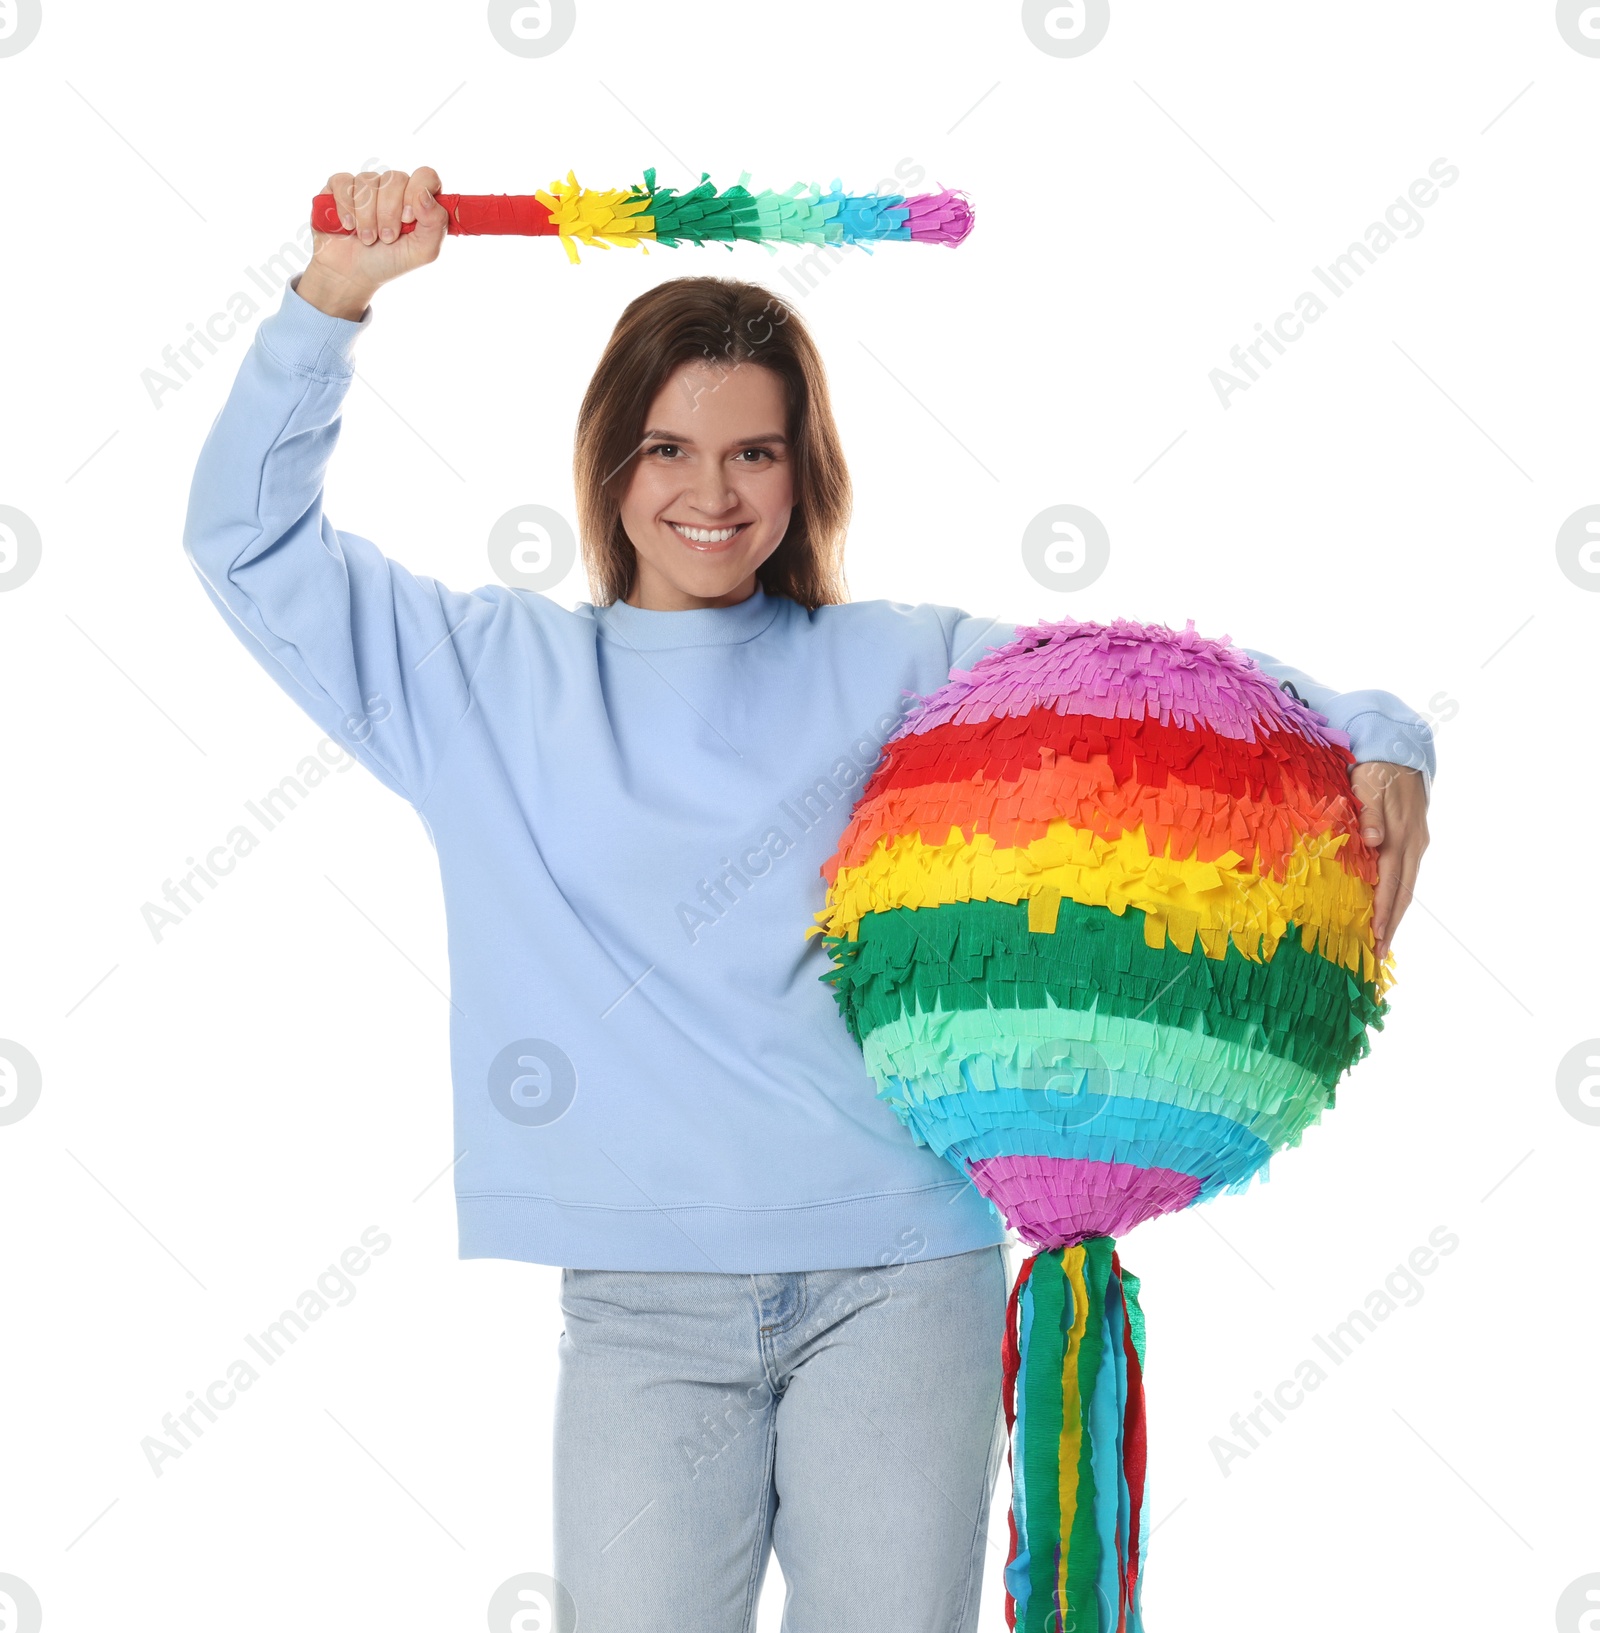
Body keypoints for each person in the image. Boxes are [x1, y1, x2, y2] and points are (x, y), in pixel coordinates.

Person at [183, 166, 1434, 1633]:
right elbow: (244, 544)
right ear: (610, 465)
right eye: (668, 447)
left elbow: (1145, 691)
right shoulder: (482, 678)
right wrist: (333, 300)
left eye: (754, 453)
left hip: (904, 1281)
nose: (710, 493)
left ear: (804, 471)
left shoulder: (906, 666)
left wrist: (1379, 726)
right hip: (645, 1301)